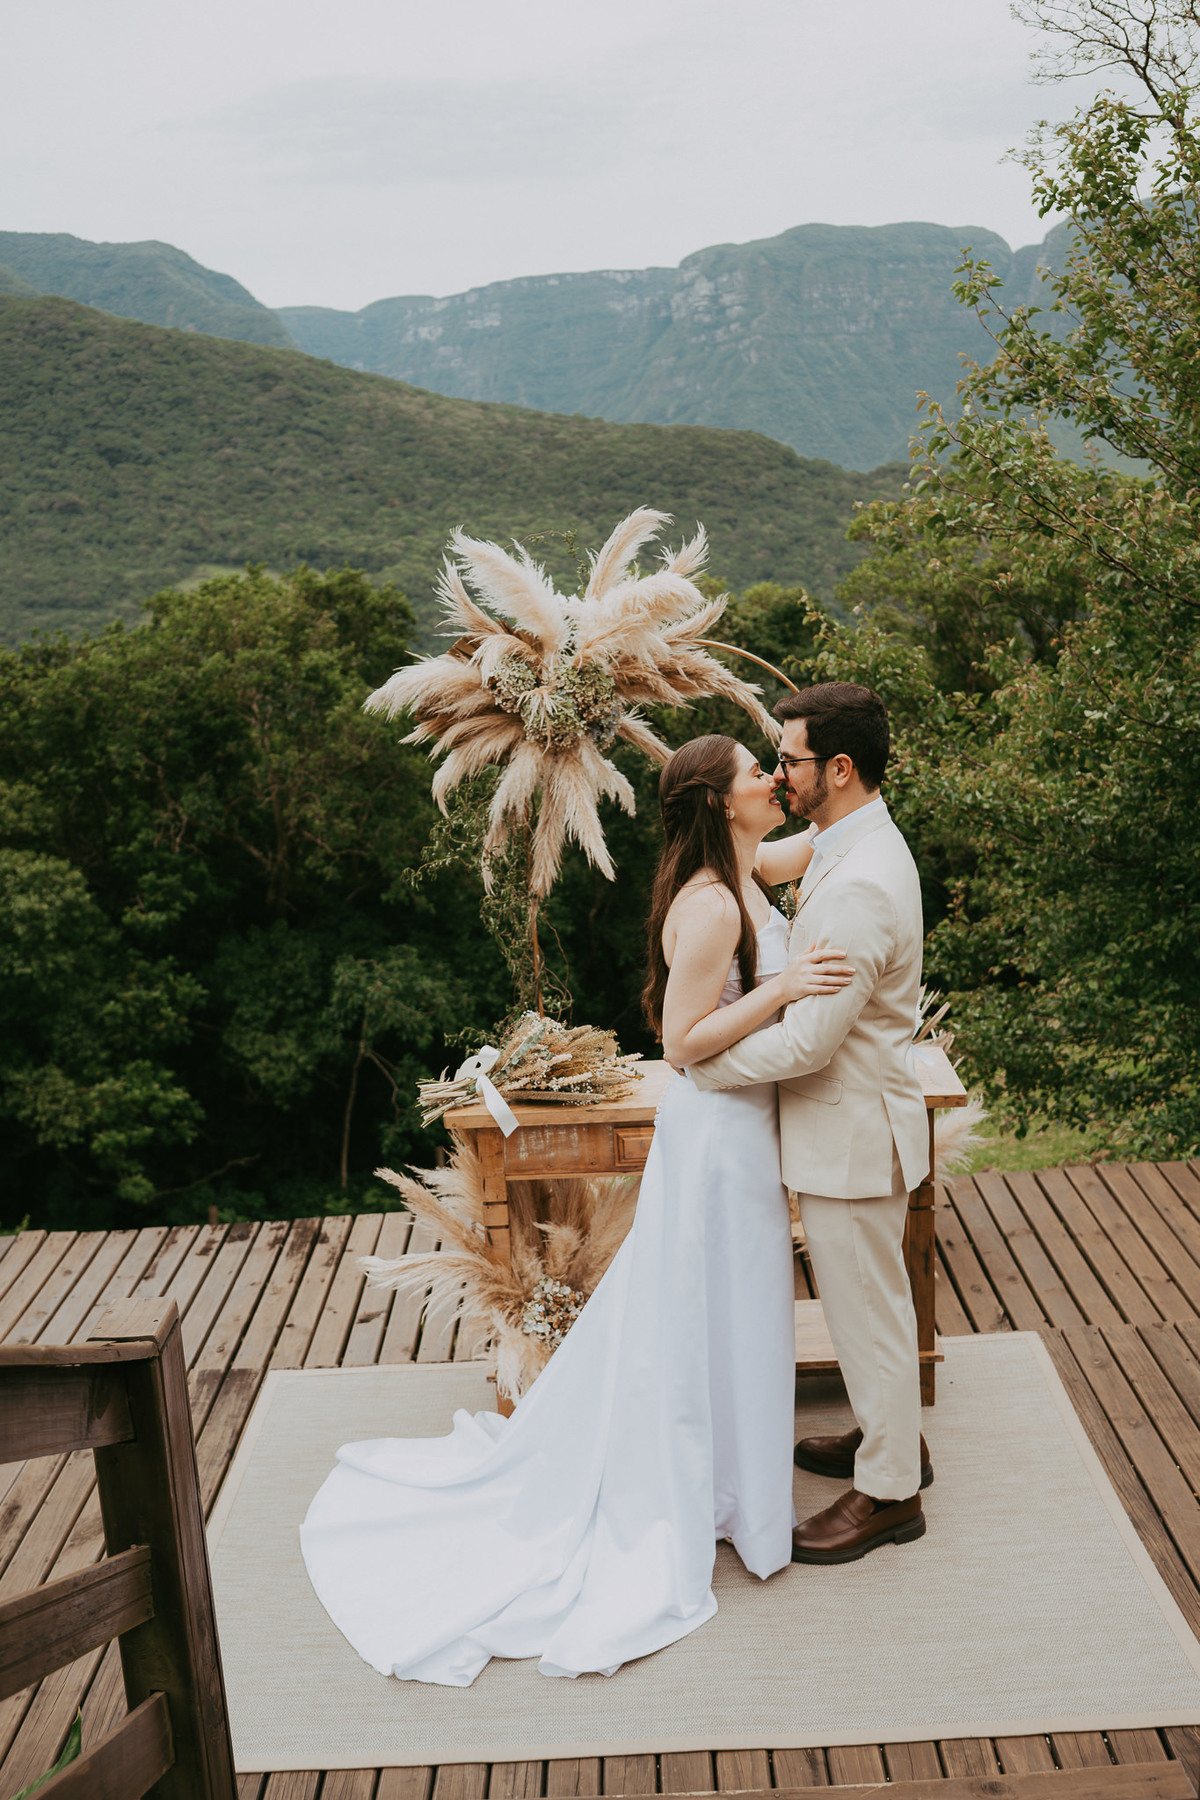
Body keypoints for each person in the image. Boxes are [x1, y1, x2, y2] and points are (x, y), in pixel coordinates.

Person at [299, 732, 851, 1687]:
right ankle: (707, 1501)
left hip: (743, 1134)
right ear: (721, 804)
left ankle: (733, 1495)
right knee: (709, 1316)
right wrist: (786, 991)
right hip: (716, 1138)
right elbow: (679, 1042)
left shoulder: (747, 867)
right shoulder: (715, 905)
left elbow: (831, 843)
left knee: (737, 1317)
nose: (774, 778)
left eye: (778, 765)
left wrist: (848, 794)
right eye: (756, 772)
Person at [689, 682, 932, 1565]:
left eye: (788, 760)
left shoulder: (862, 885)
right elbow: (757, 859)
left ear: (839, 766)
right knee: (872, 1306)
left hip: (852, 1131)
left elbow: (807, 1044)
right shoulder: (847, 834)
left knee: (865, 1314)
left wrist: (705, 1063)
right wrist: (708, 808)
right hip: (855, 1127)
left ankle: (889, 1493)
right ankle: (890, 1436)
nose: (781, 773)